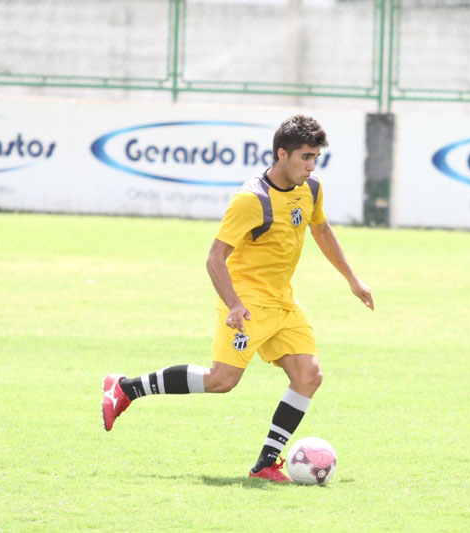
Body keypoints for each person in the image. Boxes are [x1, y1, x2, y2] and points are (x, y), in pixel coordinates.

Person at [101, 115, 373, 481]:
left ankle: (266, 464)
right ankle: (126, 388)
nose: (311, 166)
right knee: (222, 381)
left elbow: (321, 229)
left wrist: (352, 279)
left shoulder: (311, 189)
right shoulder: (251, 200)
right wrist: (234, 304)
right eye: (305, 157)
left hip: (282, 301)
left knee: (308, 375)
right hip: (246, 301)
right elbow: (215, 258)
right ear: (282, 154)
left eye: (315, 158)